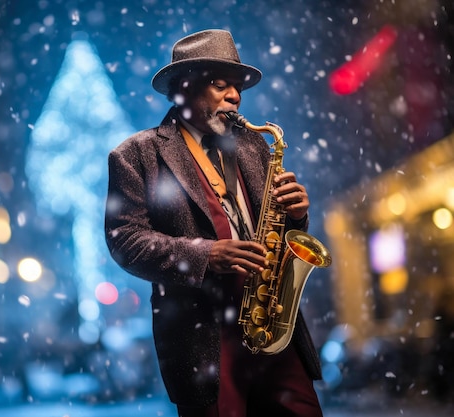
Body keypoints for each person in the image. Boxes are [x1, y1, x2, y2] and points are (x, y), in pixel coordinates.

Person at [104, 29, 323, 417]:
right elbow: (125, 240)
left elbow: (280, 238)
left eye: (237, 87)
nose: (235, 97)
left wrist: (296, 215)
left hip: (272, 326)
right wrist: (206, 255)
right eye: (221, 85)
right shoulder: (135, 154)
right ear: (183, 87)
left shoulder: (253, 145)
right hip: (203, 338)